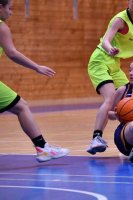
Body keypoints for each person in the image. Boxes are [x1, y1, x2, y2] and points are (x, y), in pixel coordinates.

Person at [87, 0, 133, 155]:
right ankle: (96, 138)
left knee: (131, 95)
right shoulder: (120, 20)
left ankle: (131, 135)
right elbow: (107, 39)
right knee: (110, 97)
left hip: (115, 64)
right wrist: (110, 49)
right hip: (100, 59)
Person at [0, 0, 69, 162]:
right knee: (21, 106)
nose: (11, 13)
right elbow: (12, 53)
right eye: (9, 8)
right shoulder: (1, 27)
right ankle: (42, 148)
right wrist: (37, 67)